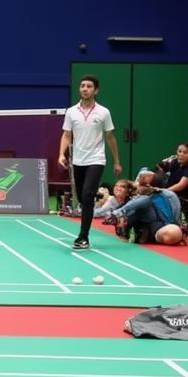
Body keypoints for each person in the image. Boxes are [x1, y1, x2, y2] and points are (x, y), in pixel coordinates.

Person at [58, 75, 122, 250]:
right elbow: (66, 134)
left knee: (87, 195)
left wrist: (116, 161)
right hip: (78, 161)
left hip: (97, 159)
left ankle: (83, 237)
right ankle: (87, 215)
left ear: (96, 90)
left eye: (89, 86)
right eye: (82, 86)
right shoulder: (71, 111)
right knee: (82, 197)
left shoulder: (103, 112)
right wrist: (61, 154)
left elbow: (110, 137)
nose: (85, 89)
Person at [156, 142, 188, 219]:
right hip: (170, 193)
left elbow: (181, 185)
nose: (181, 154)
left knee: (153, 199)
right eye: (179, 151)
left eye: (184, 152)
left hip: (184, 200)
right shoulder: (174, 162)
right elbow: (159, 170)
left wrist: (163, 191)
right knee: (144, 171)